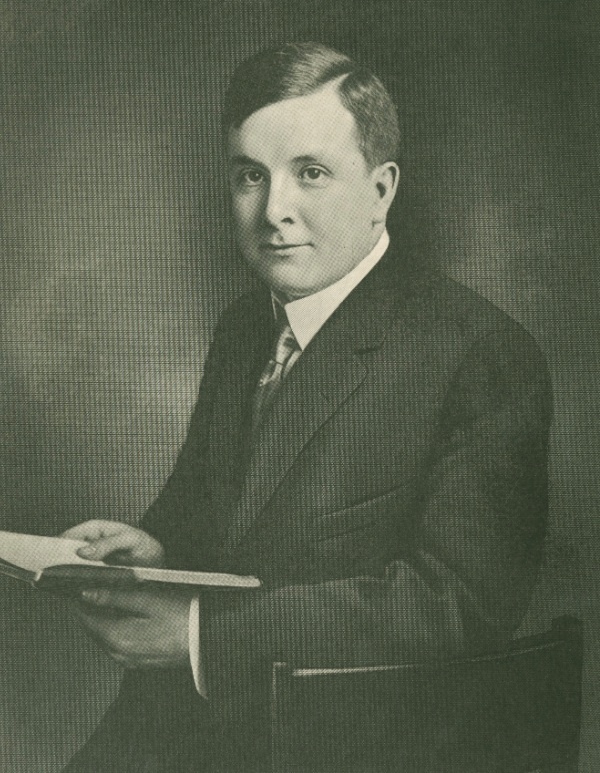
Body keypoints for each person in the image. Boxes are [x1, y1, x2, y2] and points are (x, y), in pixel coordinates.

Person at [62, 42, 552, 772]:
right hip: (200, 724)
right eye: (249, 176)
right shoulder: (244, 329)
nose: (274, 211)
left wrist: (201, 638)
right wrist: (156, 550)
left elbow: (460, 604)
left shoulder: (480, 354)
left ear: (381, 189)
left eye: (311, 174)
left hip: (357, 740)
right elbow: (214, 520)